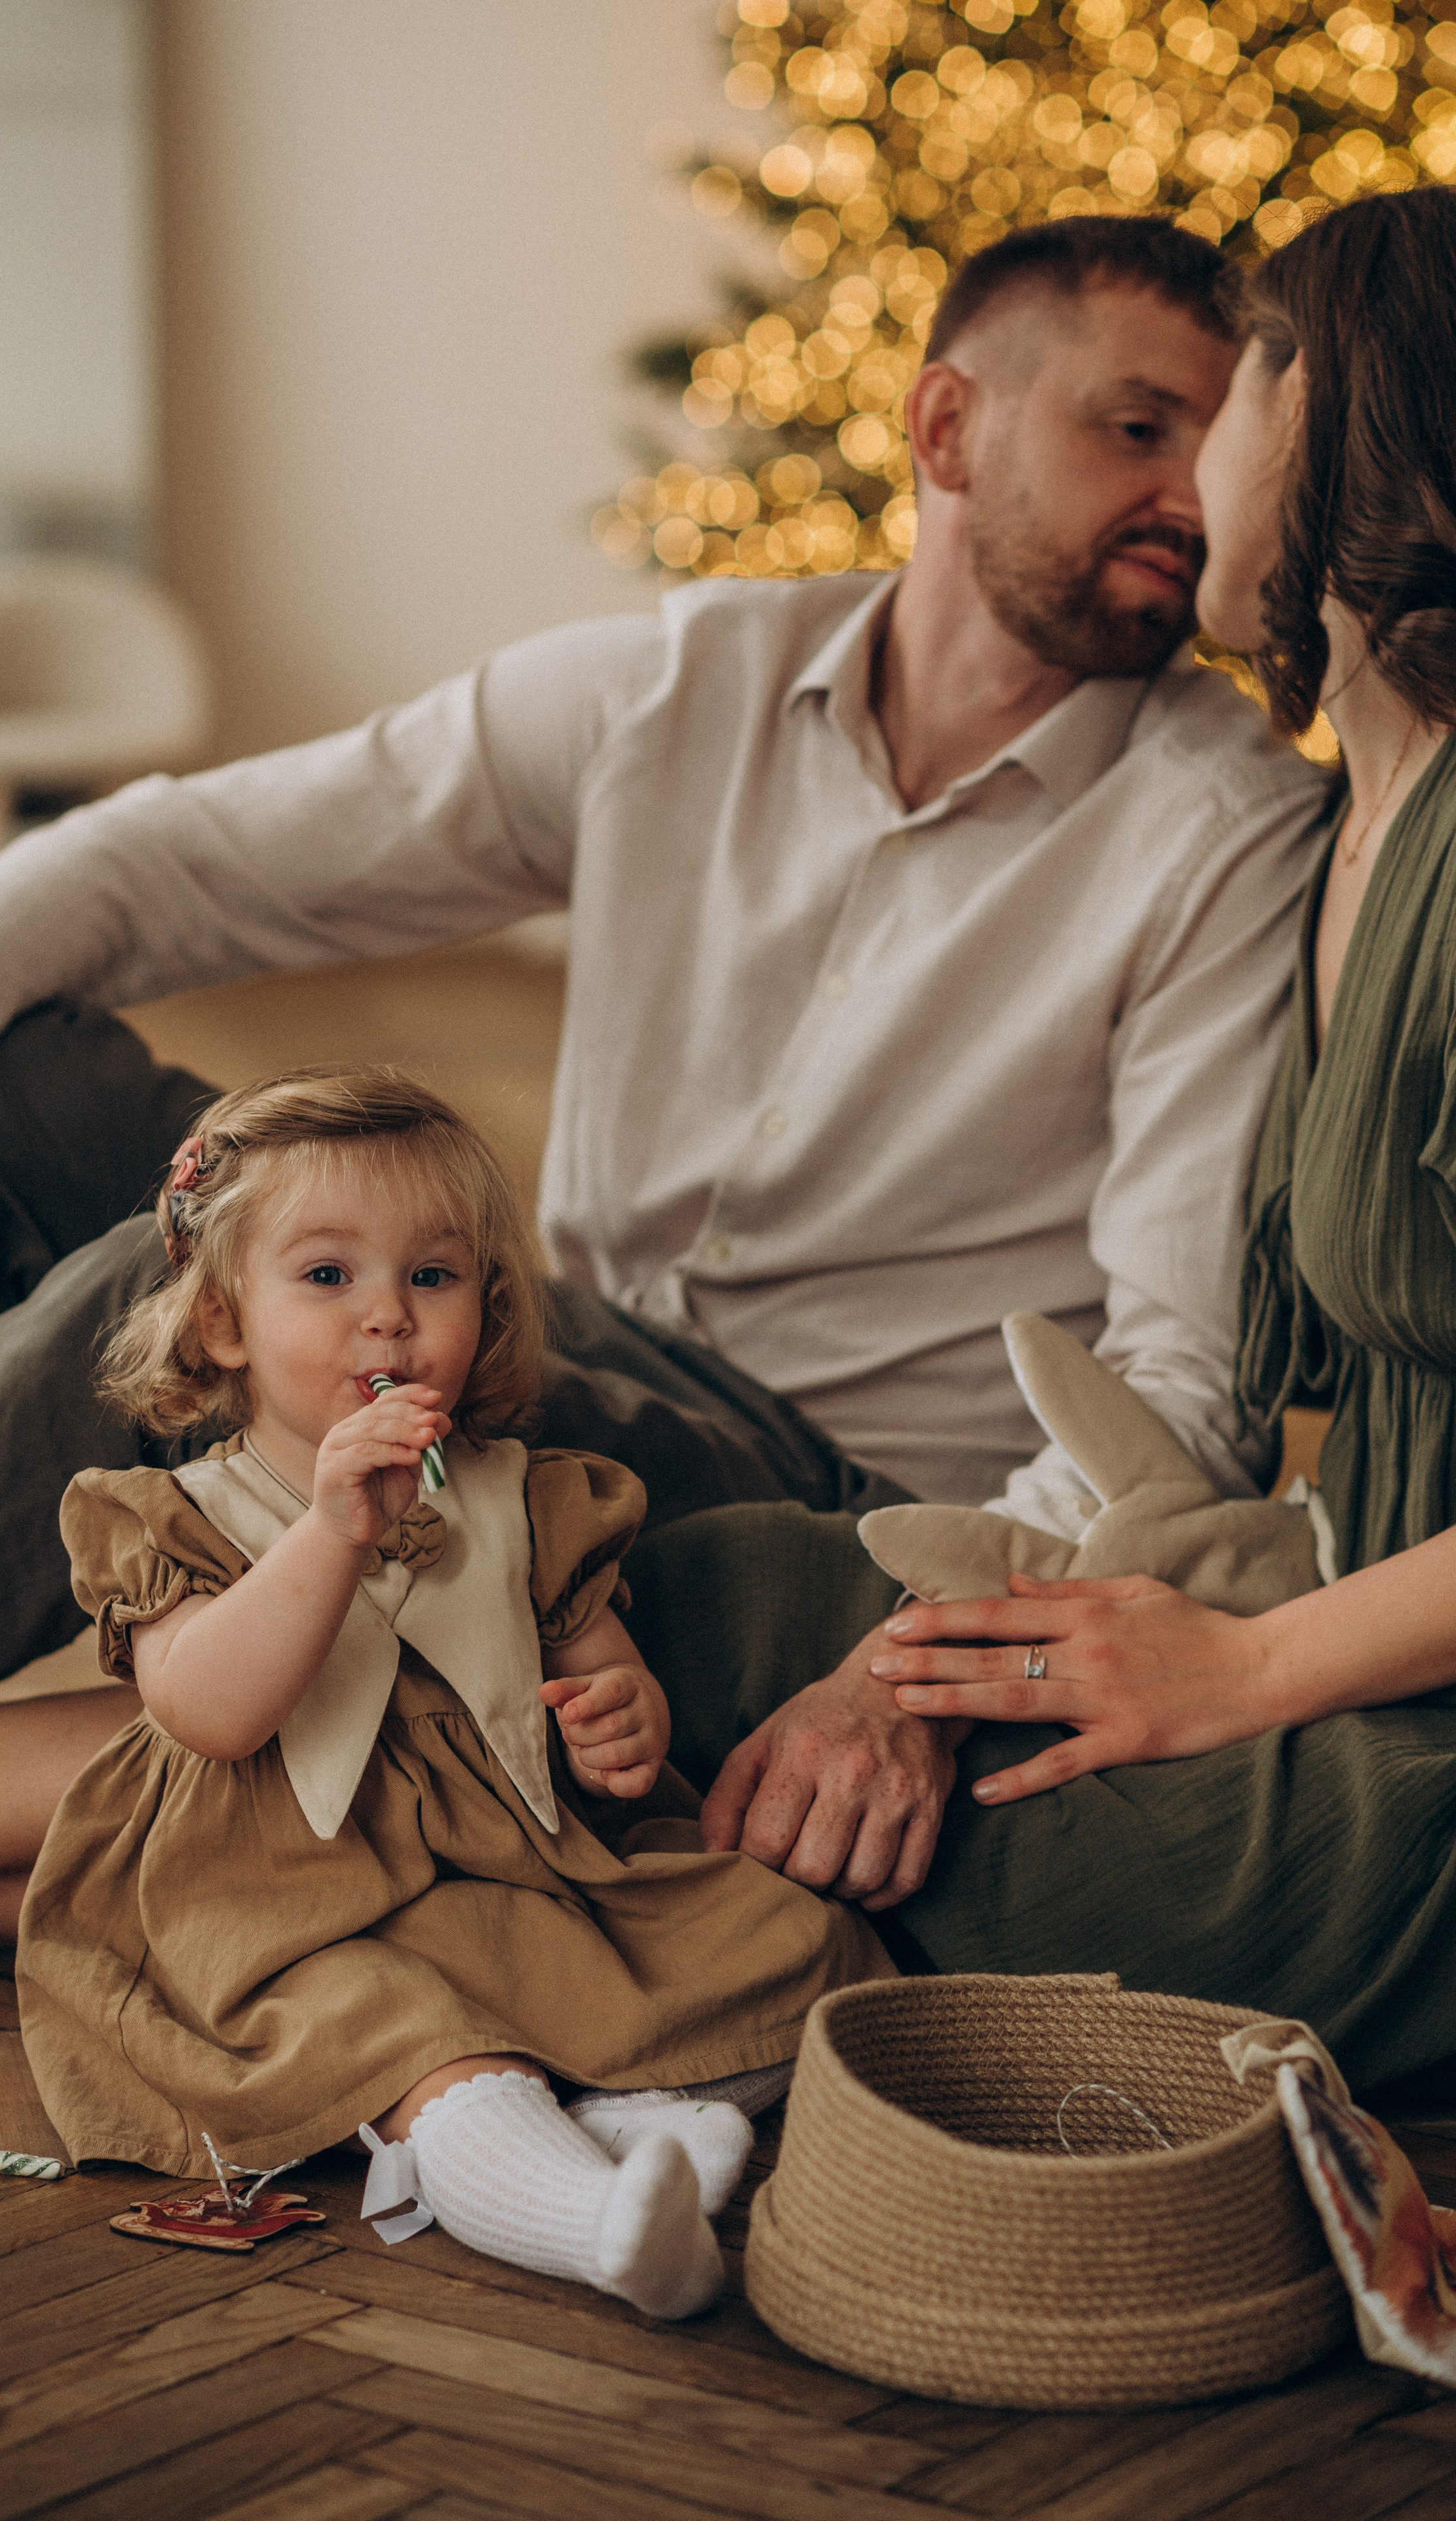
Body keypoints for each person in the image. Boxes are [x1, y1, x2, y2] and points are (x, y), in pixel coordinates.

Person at [0, 216, 1328, 1960]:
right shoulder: (677, 691)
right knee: (21, 1108)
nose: (1189, 497)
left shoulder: (1230, 830)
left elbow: (1182, 1384)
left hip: (796, 1473)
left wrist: (912, 1667)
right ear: (947, 428)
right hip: (545, 1332)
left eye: (1215, 448)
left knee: (219, 1268)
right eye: (1134, 428)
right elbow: (159, 863)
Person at [627, 187, 1456, 2098]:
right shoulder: (1345, 828)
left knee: (952, 1805)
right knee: (724, 1589)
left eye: (1232, 388)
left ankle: (59, 1856)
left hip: (1402, 1738)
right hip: (1334, 1615)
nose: (1190, 470)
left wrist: (1246, 1674)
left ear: (1344, 417)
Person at [14, 1069, 888, 2316]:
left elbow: (599, 1678)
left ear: (487, 1304)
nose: (388, 1319)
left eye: (432, 1278)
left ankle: (642, 2128)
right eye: (327, 1278)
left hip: (514, 1874)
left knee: (789, 1941)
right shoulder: (171, 1518)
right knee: (422, 2041)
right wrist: (328, 1534)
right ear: (222, 1322)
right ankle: (595, 2226)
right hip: (289, 1904)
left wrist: (625, 1727)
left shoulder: (532, 1495)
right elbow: (209, 1711)